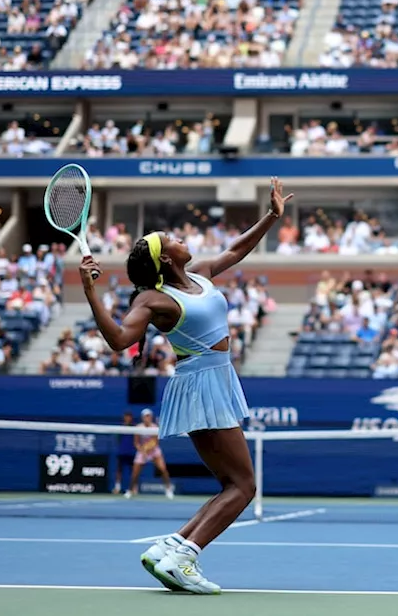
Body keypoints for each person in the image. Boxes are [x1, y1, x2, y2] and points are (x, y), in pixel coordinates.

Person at [79, 177, 293, 595]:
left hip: (215, 378)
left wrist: (271, 216)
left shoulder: (199, 275)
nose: (180, 238)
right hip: (200, 383)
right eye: (172, 238)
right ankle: (185, 556)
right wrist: (91, 293)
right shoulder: (152, 300)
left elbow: (235, 250)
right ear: (164, 260)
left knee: (233, 484)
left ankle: (171, 548)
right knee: (244, 486)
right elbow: (122, 341)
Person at [128, 408, 175, 499]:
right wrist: (142, 450)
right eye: (146, 416)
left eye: (149, 416)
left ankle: (168, 489)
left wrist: (147, 449)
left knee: (162, 469)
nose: (148, 418)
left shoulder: (155, 427)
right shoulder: (138, 427)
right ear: (142, 417)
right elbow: (136, 442)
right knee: (135, 473)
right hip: (142, 451)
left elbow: (155, 442)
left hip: (154, 451)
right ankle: (130, 490)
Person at [113, 411, 136, 495]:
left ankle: (133, 488)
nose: (127, 418)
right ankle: (117, 487)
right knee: (119, 471)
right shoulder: (121, 428)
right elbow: (118, 439)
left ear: (131, 418)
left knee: (134, 471)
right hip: (122, 452)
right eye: (126, 416)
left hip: (131, 453)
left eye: (129, 416)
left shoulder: (135, 428)